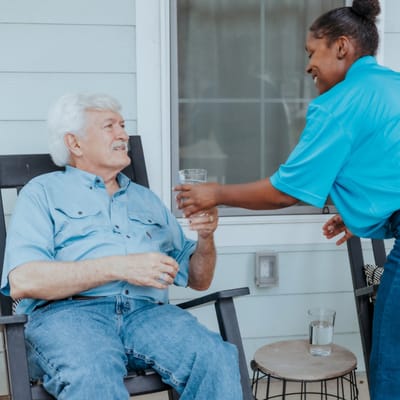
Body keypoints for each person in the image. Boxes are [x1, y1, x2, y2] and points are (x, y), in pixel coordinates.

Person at [175, 1, 400, 398]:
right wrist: (362, 216)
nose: (308, 65)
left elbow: (283, 193)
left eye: (312, 52)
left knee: (392, 372)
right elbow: (388, 168)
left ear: (342, 47)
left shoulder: (339, 104)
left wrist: (216, 192)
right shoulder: (391, 85)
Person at [0, 92, 243, 400]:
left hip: (148, 315)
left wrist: (206, 238)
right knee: (92, 374)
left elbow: (199, 279)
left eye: (123, 125)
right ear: (74, 144)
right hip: (68, 316)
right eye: (109, 126)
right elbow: (23, 280)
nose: (122, 134)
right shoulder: (43, 193)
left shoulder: (146, 200)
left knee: (215, 357)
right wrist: (120, 266)